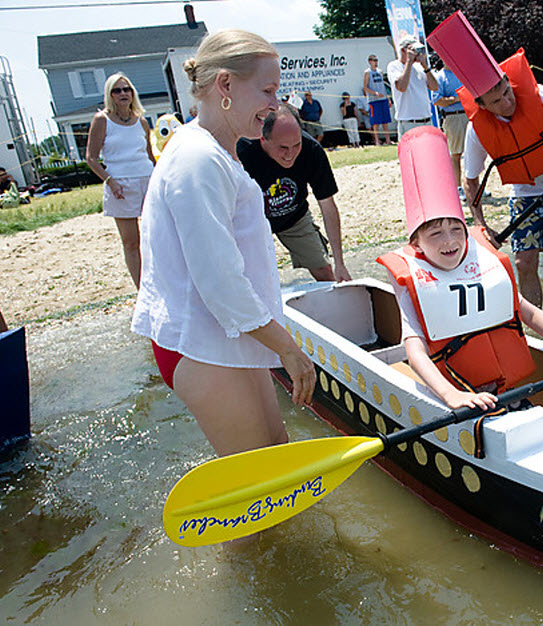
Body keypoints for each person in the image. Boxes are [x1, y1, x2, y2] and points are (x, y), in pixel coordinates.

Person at [131, 30, 315, 466]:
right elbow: (219, 281)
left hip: (228, 333)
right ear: (226, 85)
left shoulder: (219, 151)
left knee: (277, 463)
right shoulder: (198, 159)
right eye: (267, 90)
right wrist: (288, 349)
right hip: (198, 340)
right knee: (254, 488)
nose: (275, 103)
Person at [377, 126, 543, 411]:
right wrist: (451, 395)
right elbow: (415, 353)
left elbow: (528, 312)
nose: (450, 240)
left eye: (456, 229)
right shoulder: (413, 279)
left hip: (506, 389)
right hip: (457, 392)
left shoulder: (482, 260)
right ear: (417, 243)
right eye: (435, 234)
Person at [428, 11, 543, 320]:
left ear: (507, 80)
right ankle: (537, 330)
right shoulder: (478, 129)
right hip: (525, 192)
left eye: (507, 91)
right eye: (497, 100)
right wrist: (480, 223)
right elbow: (471, 181)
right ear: (482, 106)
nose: (507, 102)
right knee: (523, 263)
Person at [237, 103, 351, 283]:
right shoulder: (241, 151)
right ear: (263, 139)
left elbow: (328, 206)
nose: (290, 154)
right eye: (283, 148)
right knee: (254, 278)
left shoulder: (311, 150)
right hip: (253, 220)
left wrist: (340, 263)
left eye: (296, 145)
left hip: (294, 217)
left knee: (324, 270)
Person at [85, 72, 155, 289]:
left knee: (156, 237)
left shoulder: (141, 121)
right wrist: (110, 181)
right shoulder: (101, 120)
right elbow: (91, 158)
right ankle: (142, 290)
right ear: (110, 95)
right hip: (121, 186)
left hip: (147, 180)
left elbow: (150, 155)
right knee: (131, 243)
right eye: (117, 90)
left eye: (126, 89)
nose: (123, 94)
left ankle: (161, 284)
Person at [387, 35, 439, 139]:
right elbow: (402, 87)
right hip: (408, 122)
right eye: (414, 50)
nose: (417, 53)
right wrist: (409, 62)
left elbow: (434, 87)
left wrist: (425, 66)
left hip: (426, 120)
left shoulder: (419, 67)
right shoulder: (394, 66)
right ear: (403, 50)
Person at [432, 65, 468, 196]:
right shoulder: (440, 77)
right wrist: (458, 98)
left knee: (471, 153)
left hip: (468, 115)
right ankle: (458, 187)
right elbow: (437, 100)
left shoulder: (461, 73)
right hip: (453, 117)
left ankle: (472, 185)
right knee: (456, 154)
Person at [363, 54, 392, 146]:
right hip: (373, 100)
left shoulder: (380, 72)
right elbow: (365, 87)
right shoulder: (367, 72)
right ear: (369, 61)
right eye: (374, 60)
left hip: (383, 99)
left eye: (376, 60)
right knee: (376, 122)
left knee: (385, 121)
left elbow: (383, 86)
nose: (376, 62)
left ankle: (388, 140)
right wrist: (374, 93)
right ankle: (377, 141)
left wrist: (388, 98)